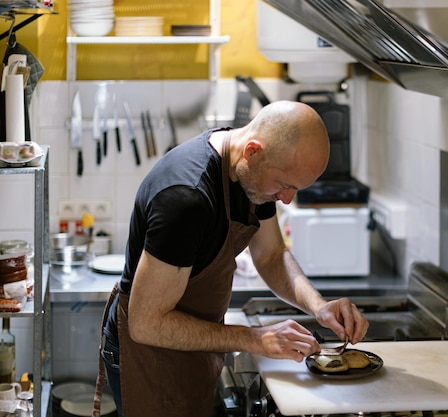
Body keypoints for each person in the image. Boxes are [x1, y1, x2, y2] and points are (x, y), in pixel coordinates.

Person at [92, 100, 370, 417]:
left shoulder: (251, 175)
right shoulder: (187, 199)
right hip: (150, 355)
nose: (287, 199)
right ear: (253, 151)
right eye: (284, 185)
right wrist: (255, 338)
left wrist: (319, 306)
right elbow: (146, 324)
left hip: (190, 345)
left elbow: (271, 255)